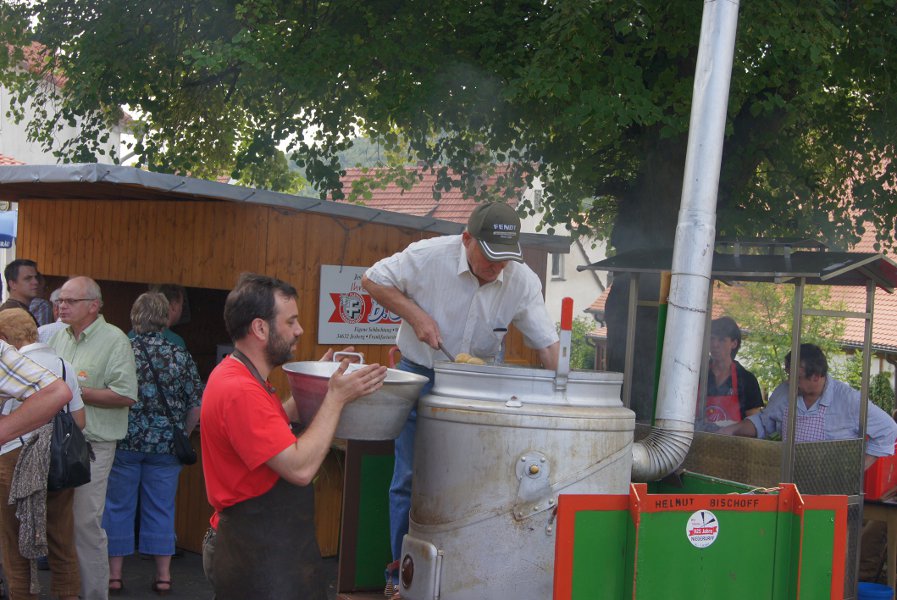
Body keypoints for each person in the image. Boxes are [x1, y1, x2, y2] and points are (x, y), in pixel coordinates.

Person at [361, 201, 560, 589]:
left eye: (505, 260)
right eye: (490, 257)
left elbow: (548, 346)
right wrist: (416, 315)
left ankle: (465, 574)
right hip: (419, 373)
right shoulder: (427, 256)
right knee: (409, 478)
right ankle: (402, 575)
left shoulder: (521, 281)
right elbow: (372, 279)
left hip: (478, 386)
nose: (497, 268)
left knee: (479, 480)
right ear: (466, 239)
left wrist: (562, 396)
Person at [200, 273, 387, 600]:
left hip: (268, 548)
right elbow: (299, 469)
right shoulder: (240, 389)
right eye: (291, 321)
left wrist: (312, 388)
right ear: (260, 328)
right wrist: (335, 398)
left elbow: (269, 429)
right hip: (254, 556)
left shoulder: (241, 375)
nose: (299, 330)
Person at [103, 293, 203, 595]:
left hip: (125, 443)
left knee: (117, 507)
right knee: (161, 509)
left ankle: (115, 576)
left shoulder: (123, 352)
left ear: (135, 316)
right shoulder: (179, 355)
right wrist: (182, 435)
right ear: (165, 317)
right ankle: (163, 577)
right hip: (166, 448)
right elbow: (195, 405)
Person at [47, 276, 138, 600]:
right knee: (59, 524)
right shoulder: (58, 337)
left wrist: (72, 392)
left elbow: (125, 394)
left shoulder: (115, 341)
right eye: (60, 300)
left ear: (93, 306)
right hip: (55, 443)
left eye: (70, 301)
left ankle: (93, 594)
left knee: (85, 524)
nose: (62, 305)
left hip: (93, 445)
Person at [0, 308, 83, 600]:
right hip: (59, 457)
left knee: (16, 542)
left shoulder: (11, 365)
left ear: (5, 336)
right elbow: (80, 420)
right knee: (61, 540)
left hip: (14, 456)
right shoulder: (63, 365)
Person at [720, 343, 897, 468]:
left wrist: (858, 469)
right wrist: (732, 429)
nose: (790, 382)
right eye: (789, 375)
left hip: (832, 488)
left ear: (817, 376)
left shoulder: (848, 400)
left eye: (797, 377)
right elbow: (765, 422)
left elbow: (889, 429)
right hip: (790, 481)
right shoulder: (785, 392)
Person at [701, 316, 763, 426]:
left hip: (733, 442)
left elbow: (753, 423)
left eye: (721, 340)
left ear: (734, 343)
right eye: (712, 338)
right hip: (698, 439)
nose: (715, 345)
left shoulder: (747, 379)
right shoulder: (698, 374)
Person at [128, 284, 187, 349]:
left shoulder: (131, 335)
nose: (181, 309)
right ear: (174, 305)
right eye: (181, 305)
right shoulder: (176, 342)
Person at [1, 259, 40, 326]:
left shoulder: (11, 309)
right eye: (28, 278)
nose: (35, 282)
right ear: (13, 284)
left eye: (36, 277)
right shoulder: (15, 315)